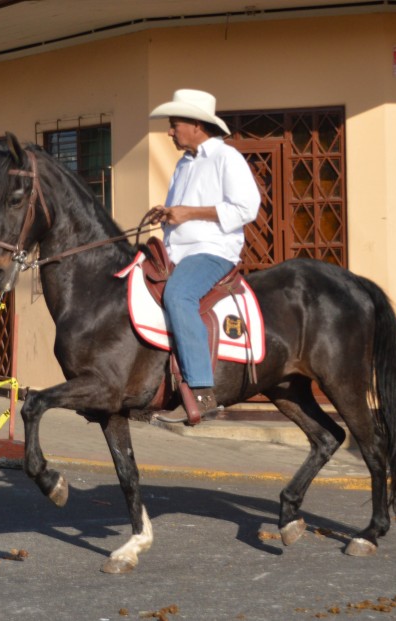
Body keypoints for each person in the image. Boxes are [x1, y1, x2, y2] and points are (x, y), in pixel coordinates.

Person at [146, 89, 261, 419]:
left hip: (211, 252)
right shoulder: (184, 163)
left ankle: (200, 390)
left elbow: (246, 208)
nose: (170, 131)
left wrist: (187, 213)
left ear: (196, 124)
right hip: (176, 252)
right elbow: (183, 211)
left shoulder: (226, 158)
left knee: (179, 296)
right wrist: (168, 213)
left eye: (174, 124)